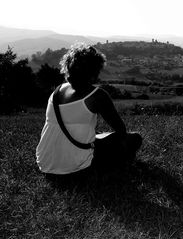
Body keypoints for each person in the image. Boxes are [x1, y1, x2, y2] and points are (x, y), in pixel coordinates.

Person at [36, 43, 142, 179]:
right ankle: (119, 166)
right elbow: (120, 130)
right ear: (95, 70)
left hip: (45, 163)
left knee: (99, 137)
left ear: (68, 66)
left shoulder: (57, 92)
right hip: (76, 167)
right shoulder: (97, 96)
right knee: (134, 138)